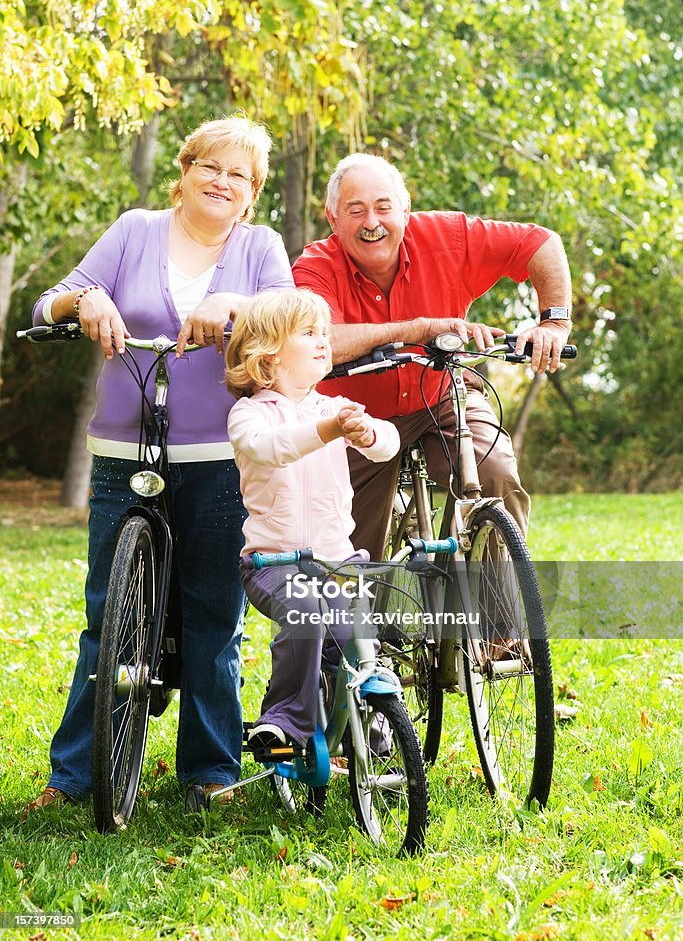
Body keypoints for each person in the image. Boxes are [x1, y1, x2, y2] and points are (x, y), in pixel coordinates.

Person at [24, 114, 294, 814]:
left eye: (239, 174)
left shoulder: (260, 248)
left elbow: (288, 322)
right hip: (124, 450)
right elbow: (48, 299)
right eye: (211, 166)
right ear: (184, 172)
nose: (222, 181)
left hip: (216, 456)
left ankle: (208, 770)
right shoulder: (134, 231)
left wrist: (233, 303)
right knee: (106, 618)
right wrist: (87, 298)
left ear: (252, 192)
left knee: (212, 618)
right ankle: (76, 775)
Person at [292, 153, 572, 559]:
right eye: (356, 210)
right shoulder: (316, 265)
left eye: (384, 207)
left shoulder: (449, 236)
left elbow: (540, 242)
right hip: (351, 415)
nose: (372, 222)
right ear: (333, 219)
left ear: (405, 210)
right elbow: (321, 340)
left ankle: (501, 618)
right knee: (343, 552)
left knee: (494, 473)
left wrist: (554, 323)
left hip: (440, 392)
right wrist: (418, 329)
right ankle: (353, 619)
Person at [225, 289, 399, 750]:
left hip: (339, 560)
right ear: (268, 355)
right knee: (305, 615)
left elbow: (388, 444)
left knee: (354, 637)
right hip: (273, 562)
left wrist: (369, 431)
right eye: (308, 333)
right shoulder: (248, 415)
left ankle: (368, 720)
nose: (324, 341)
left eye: (325, 332)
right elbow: (272, 449)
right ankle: (285, 721)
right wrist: (330, 430)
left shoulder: (332, 406)